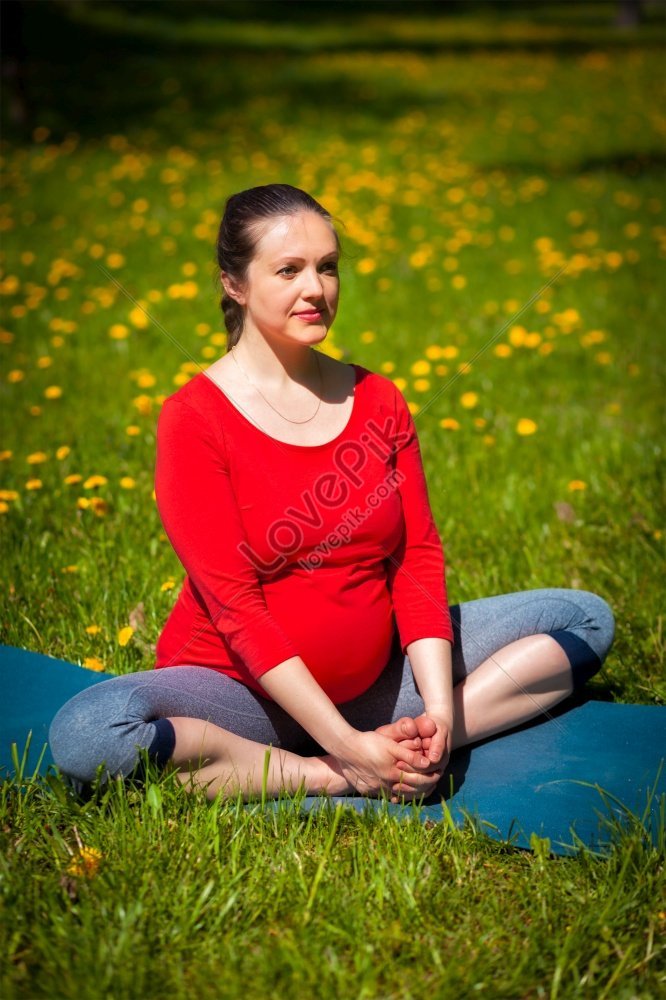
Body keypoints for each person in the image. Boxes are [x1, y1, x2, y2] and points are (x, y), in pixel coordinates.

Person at [50, 184, 616, 803]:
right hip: (241, 696)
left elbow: (416, 560)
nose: (315, 289)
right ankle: (338, 774)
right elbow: (235, 607)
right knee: (89, 734)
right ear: (234, 284)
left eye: (327, 267)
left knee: (582, 619)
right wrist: (346, 750)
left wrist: (440, 718)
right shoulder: (193, 418)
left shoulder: (379, 399)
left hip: (378, 685)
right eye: (288, 270)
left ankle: (411, 749)